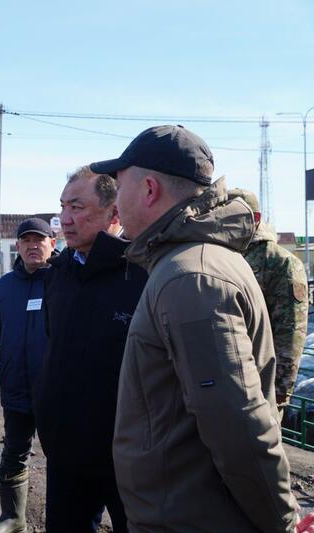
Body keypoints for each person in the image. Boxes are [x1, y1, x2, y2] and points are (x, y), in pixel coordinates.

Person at [91, 125, 298, 531]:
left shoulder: (191, 278)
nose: (116, 201)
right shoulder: (191, 264)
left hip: (191, 520)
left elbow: (238, 425)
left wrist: (283, 523)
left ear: (149, 189)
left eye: (119, 186)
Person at [35, 167, 148, 532]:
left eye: (77, 207)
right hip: (65, 450)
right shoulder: (58, 273)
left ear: (114, 213)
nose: (65, 219)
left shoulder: (143, 274)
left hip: (128, 455)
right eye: (62, 207)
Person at [0, 217, 52, 533]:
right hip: (15, 386)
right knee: (14, 451)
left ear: (52, 244)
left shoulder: (63, 281)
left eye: (39, 240)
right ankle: (12, 517)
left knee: (63, 459)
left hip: (55, 389)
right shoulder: (4, 286)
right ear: (18, 246)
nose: (33, 245)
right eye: (26, 240)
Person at [229, 188, 309, 413]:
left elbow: (291, 331)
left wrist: (279, 392)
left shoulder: (281, 262)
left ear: (255, 218)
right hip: (232, 378)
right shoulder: (229, 255)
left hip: (263, 385)